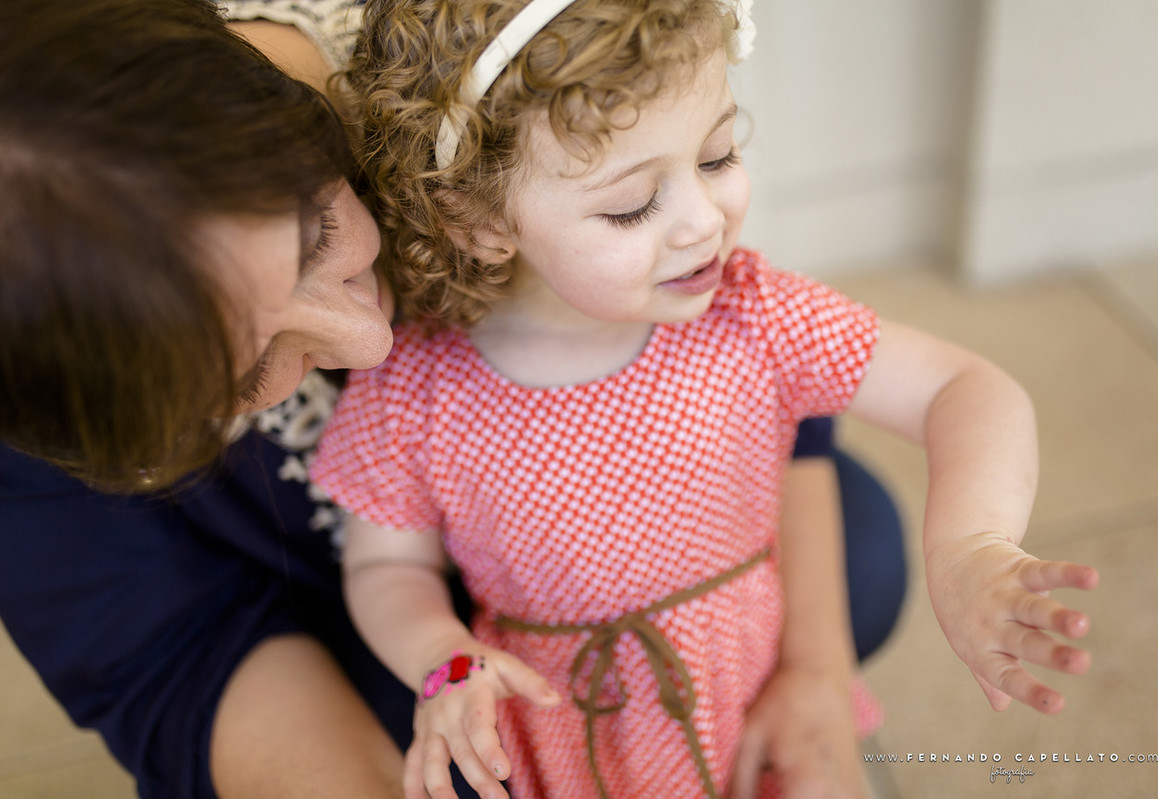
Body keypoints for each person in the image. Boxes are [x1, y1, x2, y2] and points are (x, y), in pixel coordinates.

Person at [0, 1, 905, 797]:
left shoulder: (475, 80)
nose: (373, 346)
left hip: (584, 570)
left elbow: (746, 350)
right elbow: (173, 656)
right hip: (389, 632)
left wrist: (814, 662)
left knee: (854, 549)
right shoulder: (40, 383)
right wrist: (442, 671)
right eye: (246, 377)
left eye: (321, 229)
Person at [308, 1, 1100, 798]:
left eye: (717, 154)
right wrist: (444, 660)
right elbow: (386, 565)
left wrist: (969, 543)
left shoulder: (755, 317)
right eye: (630, 205)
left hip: (758, 713)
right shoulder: (418, 388)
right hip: (562, 746)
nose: (702, 221)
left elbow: (964, 388)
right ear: (479, 220)